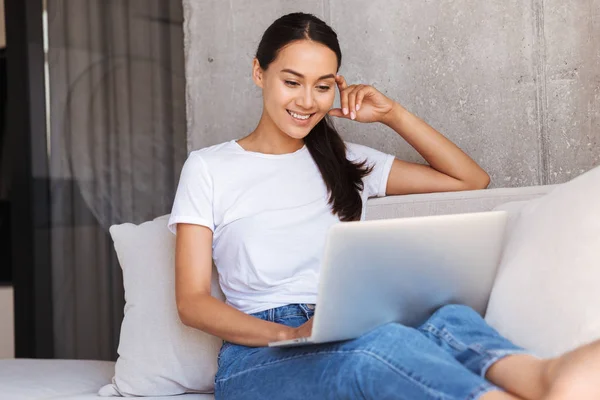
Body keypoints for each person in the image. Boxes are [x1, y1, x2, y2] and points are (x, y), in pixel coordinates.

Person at [168, 12, 600, 400]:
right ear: (259, 73)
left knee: (448, 317)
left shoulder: (346, 159)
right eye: (291, 81)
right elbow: (192, 302)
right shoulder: (209, 168)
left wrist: (392, 114)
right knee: (374, 353)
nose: (306, 101)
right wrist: (289, 333)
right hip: (258, 356)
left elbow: (470, 179)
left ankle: (546, 379)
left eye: (322, 87)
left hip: (347, 322)